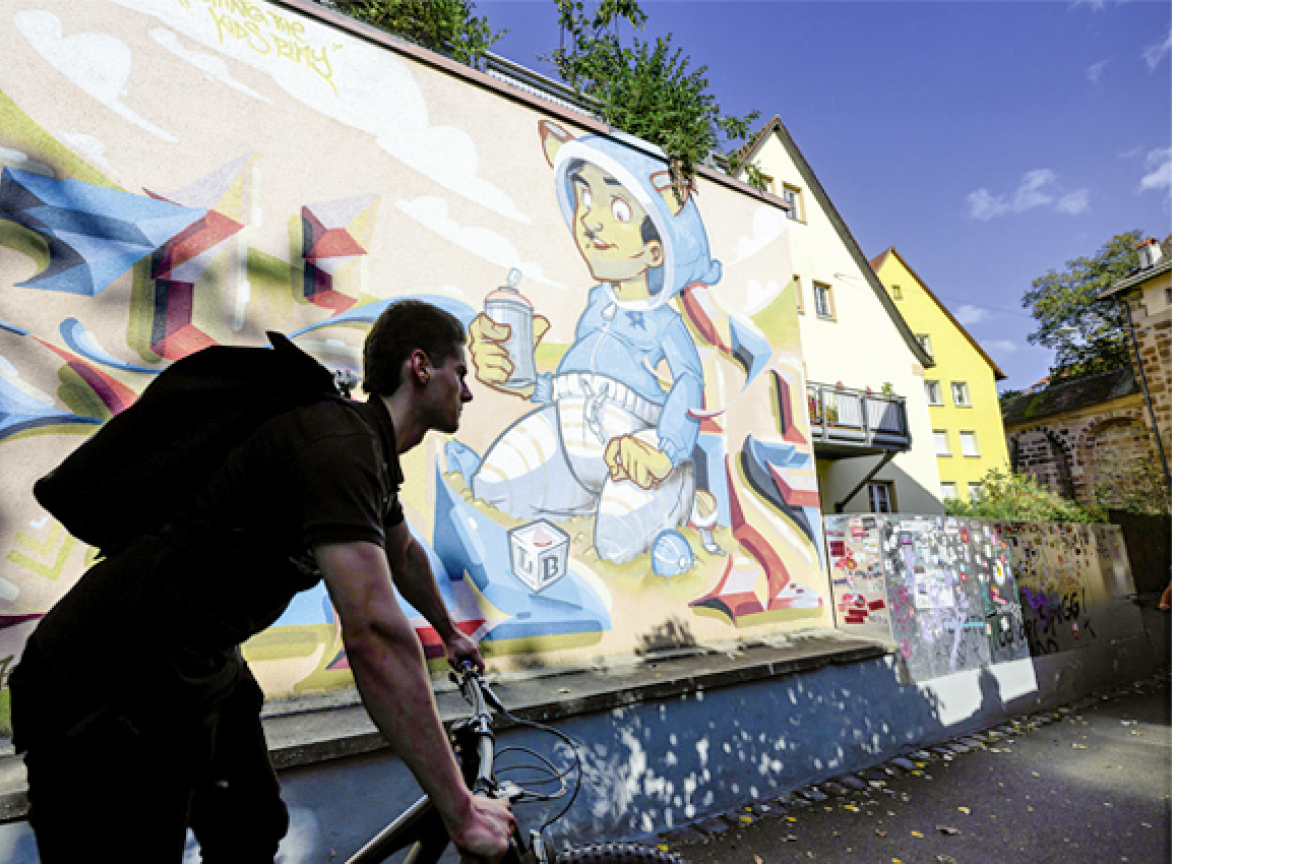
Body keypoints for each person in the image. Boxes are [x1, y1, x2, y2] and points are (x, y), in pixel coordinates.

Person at [9, 300, 515, 863]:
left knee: (250, 827)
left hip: (198, 663)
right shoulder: (338, 445)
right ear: (420, 366)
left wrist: (451, 633)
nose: (467, 392)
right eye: (461, 373)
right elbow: (373, 633)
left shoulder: (363, 451)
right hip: (108, 677)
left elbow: (404, 552)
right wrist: (460, 810)